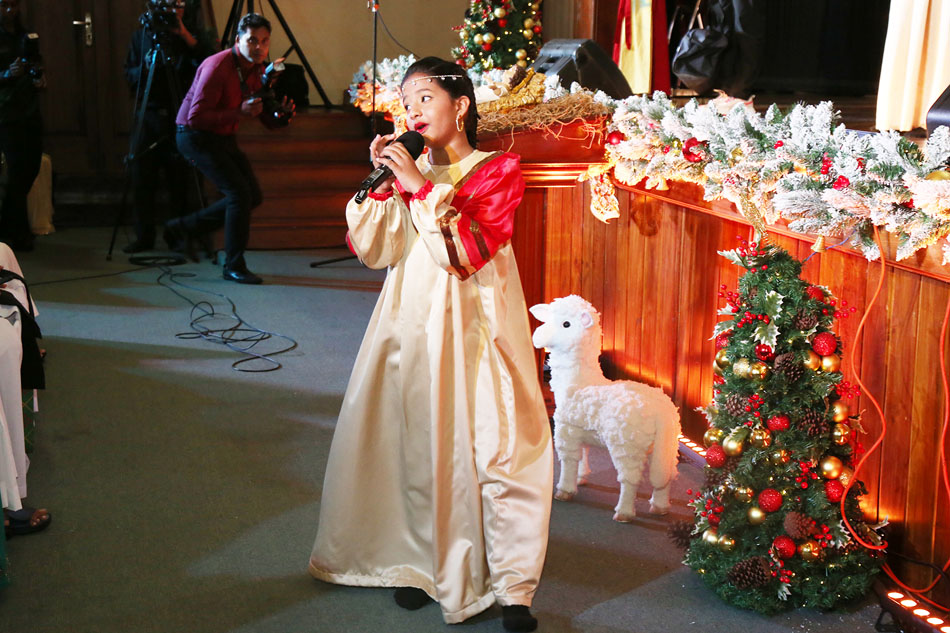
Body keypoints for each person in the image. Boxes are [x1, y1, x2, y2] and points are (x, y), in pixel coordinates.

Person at [309, 57, 553, 633]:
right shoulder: (408, 174)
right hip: (412, 322)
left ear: (460, 104)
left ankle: (511, 587)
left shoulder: (497, 169)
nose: (413, 111)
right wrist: (383, 190)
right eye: (406, 102)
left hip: (477, 327)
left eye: (424, 98)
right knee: (417, 440)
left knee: (495, 448)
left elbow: (465, 253)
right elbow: (377, 250)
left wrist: (420, 189)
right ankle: (423, 566)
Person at [171, 12, 293, 284]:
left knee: (253, 196)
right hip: (193, 135)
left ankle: (183, 228)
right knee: (239, 194)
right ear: (238, 40)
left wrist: (281, 117)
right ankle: (233, 266)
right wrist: (239, 111)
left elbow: (263, 116)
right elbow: (195, 118)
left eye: (264, 41)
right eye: (252, 40)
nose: (259, 47)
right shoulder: (217, 66)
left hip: (221, 136)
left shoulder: (258, 69)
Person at [122, 0, 214, 254]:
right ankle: (144, 236)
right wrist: (146, 66)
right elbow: (129, 74)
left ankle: (178, 236)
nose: (171, 11)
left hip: (180, 116)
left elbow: (209, 64)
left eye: (177, 4)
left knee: (179, 179)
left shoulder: (192, 37)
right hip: (148, 114)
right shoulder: (141, 36)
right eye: (164, 4)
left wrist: (183, 34)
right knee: (142, 177)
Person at [0, 0, 44, 253]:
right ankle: (18, 232)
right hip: (6, 112)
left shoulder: (26, 35)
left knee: (32, 166)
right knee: (17, 170)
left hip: (29, 109)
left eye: (13, 5)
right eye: (4, 5)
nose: (10, 10)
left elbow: (37, 64)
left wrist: (38, 75)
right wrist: (7, 74)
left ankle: (7, 224)